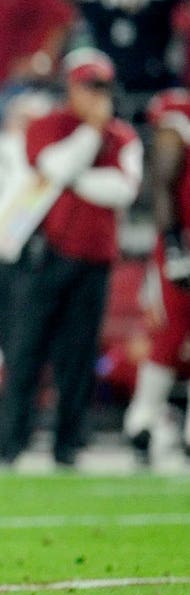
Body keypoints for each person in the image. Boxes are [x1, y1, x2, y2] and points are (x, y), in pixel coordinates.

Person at [0, 48, 142, 468]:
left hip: (94, 261)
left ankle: (68, 446)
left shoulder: (123, 136)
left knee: (77, 358)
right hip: (46, 255)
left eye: (100, 88)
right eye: (87, 86)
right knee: (25, 352)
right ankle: (10, 445)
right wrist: (91, 136)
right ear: (70, 87)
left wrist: (75, 173)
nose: (94, 96)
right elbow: (53, 165)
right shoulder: (48, 125)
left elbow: (123, 189)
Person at [123, 88, 190, 463]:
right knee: (169, 335)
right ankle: (143, 421)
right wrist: (176, 243)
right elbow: (164, 178)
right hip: (181, 247)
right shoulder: (177, 116)